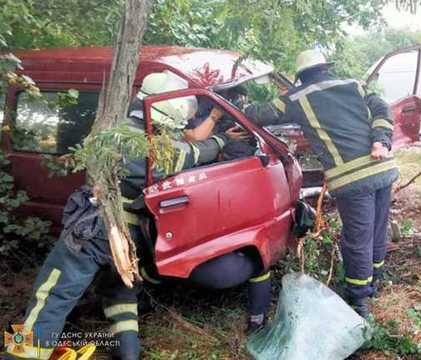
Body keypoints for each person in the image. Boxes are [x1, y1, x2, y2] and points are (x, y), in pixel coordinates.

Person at [4, 71, 267, 360]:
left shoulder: (123, 135)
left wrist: (215, 136)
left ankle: (21, 355)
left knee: (51, 296)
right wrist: (220, 139)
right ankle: (128, 355)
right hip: (132, 240)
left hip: (95, 230)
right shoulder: (159, 148)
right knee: (121, 295)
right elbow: (194, 150)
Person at [245, 49, 397, 317]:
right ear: (327, 68)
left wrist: (238, 105)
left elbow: (262, 114)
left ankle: (359, 300)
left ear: (301, 76)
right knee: (377, 228)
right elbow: (383, 109)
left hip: (353, 179)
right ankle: (375, 280)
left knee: (357, 239)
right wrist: (381, 139)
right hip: (384, 168)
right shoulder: (355, 84)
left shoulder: (297, 97)